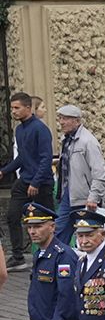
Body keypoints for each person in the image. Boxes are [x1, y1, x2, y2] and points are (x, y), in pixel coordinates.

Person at [4, 92, 53, 268]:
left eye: (17, 108)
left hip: (41, 183)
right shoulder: (19, 130)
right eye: (12, 108)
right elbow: (22, 158)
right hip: (24, 181)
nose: (14, 112)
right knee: (12, 215)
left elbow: (46, 158)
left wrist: (36, 182)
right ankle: (17, 257)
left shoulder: (40, 129)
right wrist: (4, 171)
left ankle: (50, 253)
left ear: (28, 108)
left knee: (45, 218)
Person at [53, 105, 105, 242]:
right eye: (60, 118)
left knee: (91, 232)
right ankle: (58, 260)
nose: (61, 122)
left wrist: (94, 196)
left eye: (65, 118)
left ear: (77, 121)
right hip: (68, 194)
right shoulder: (66, 139)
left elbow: (99, 172)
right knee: (60, 231)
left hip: (84, 197)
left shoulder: (88, 141)